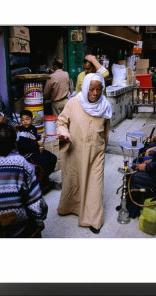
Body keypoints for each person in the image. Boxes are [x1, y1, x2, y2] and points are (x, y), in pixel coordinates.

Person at [57, 73, 112, 234]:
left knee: (95, 185)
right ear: (86, 87)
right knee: (73, 180)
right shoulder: (74, 103)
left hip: (96, 154)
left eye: (99, 89)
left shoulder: (105, 106)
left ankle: (93, 219)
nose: (95, 93)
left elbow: (106, 132)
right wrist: (63, 132)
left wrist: (101, 147)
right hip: (75, 151)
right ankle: (69, 208)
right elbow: (61, 122)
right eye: (91, 89)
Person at [16, 110, 57, 191]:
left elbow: (36, 137)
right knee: (42, 164)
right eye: (23, 120)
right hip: (28, 154)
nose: (25, 121)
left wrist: (41, 137)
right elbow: (24, 147)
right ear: (21, 121)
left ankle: (46, 179)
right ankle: (40, 185)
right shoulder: (20, 132)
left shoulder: (33, 128)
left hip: (36, 150)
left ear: (32, 120)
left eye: (27, 119)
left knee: (53, 158)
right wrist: (37, 143)